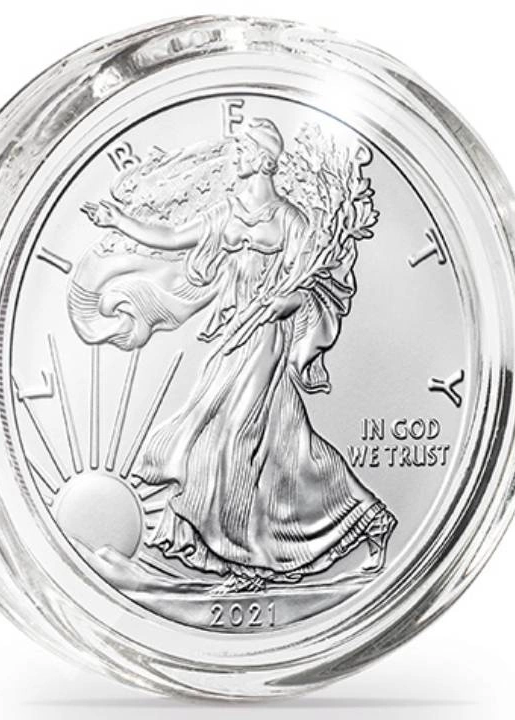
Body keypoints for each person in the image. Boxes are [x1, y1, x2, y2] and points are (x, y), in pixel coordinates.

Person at [78, 118, 396, 593]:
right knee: (284, 449)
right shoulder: (226, 212)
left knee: (233, 439)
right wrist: (118, 220)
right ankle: (368, 520)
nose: (238, 155)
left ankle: (247, 563)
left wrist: (291, 300)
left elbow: (316, 287)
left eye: (245, 149)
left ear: (264, 159)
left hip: (266, 337)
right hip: (233, 337)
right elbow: (172, 236)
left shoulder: (291, 220)